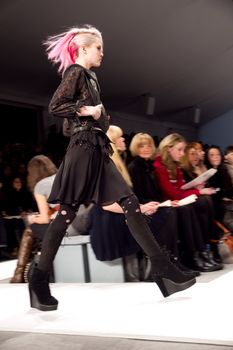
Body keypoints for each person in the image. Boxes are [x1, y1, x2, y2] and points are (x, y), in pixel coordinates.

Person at [29, 25, 195, 312]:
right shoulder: (76, 72)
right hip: (84, 150)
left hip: (94, 147)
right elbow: (56, 106)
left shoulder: (90, 77)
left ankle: (162, 267)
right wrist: (87, 111)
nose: (102, 53)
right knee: (66, 213)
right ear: (83, 49)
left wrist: (97, 117)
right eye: (98, 48)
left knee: (130, 203)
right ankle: (39, 278)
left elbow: (67, 127)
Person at [153, 133, 223, 271]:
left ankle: (205, 249)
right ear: (169, 149)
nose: (182, 153)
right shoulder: (159, 166)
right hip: (168, 204)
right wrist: (198, 192)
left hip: (176, 202)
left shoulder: (175, 166)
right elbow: (172, 193)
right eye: (179, 150)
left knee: (206, 201)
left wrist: (196, 189)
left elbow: (179, 189)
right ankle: (195, 254)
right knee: (194, 205)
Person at [10, 155, 58, 283]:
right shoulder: (60, 178)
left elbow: (44, 220)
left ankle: (18, 273)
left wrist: (32, 219)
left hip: (66, 228)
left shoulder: (41, 186)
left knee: (30, 230)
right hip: (79, 221)